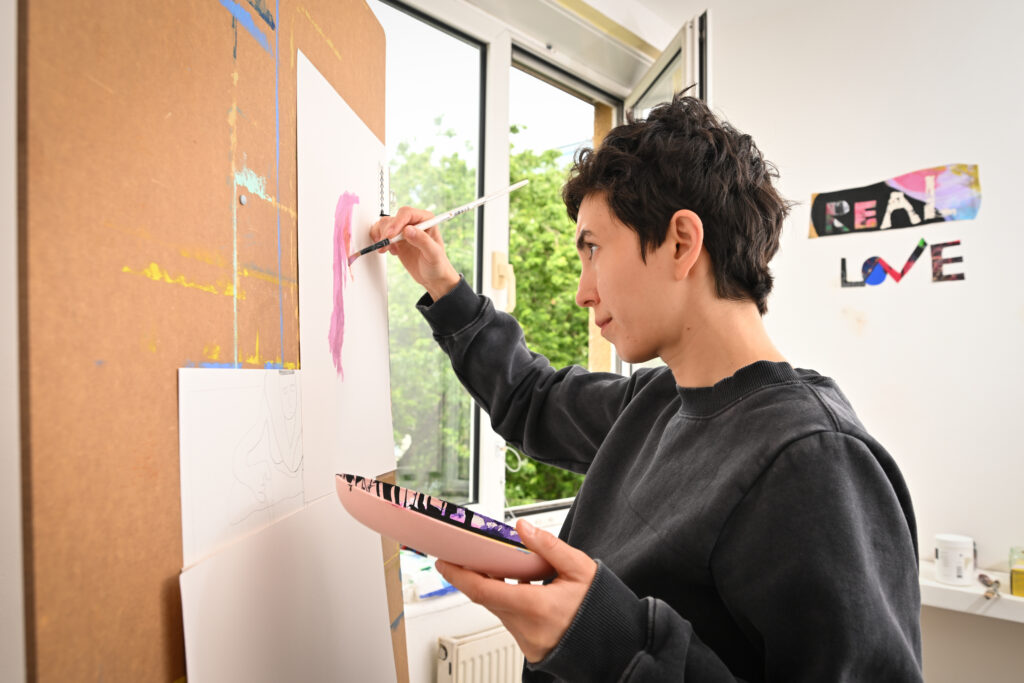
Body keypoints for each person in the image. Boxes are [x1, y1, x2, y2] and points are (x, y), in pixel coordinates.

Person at [370, 93, 923, 682]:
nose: (584, 290)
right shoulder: (656, 400)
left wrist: (606, 639)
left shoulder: (814, 460)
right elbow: (531, 397)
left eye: (593, 249)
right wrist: (442, 281)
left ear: (682, 243)